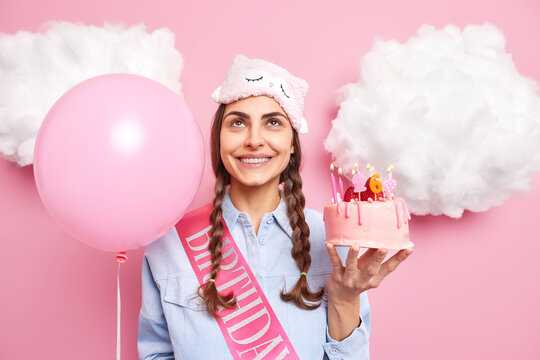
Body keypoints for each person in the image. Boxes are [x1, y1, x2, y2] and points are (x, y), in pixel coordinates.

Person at [137, 54, 413, 359]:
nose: (254, 140)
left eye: (273, 122)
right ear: (219, 139)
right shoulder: (170, 244)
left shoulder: (334, 238)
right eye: (238, 122)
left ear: (292, 142)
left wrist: (345, 299)